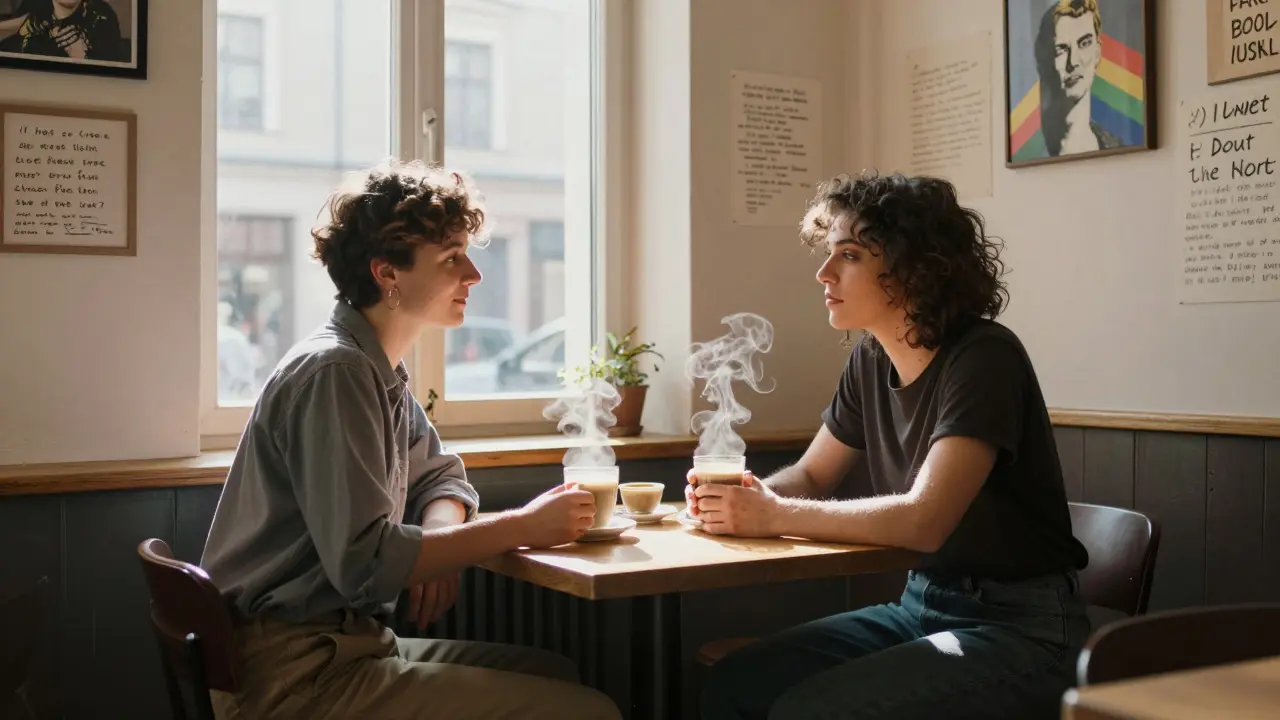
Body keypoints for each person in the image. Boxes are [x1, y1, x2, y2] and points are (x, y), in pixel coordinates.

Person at [200, 159, 621, 719]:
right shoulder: (337, 372)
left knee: (556, 673)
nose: (474, 275)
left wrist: (437, 546)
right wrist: (522, 526)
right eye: (451, 258)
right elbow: (367, 565)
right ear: (387, 274)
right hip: (296, 677)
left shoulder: (374, 366)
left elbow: (441, 476)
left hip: (344, 649)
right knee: (590, 711)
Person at [690, 171, 1091, 719]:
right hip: (921, 604)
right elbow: (812, 477)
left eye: (849, 255)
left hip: (1023, 627)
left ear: (914, 267)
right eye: (830, 253)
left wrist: (773, 514)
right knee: (737, 683)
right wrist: (746, 496)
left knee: (813, 711)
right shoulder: (870, 358)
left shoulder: (984, 357)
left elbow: (925, 520)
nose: (824, 273)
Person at [1034, 0, 1120, 157]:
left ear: (1097, 52)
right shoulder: (1032, 155)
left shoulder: (1117, 149)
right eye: (1061, 50)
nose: (1073, 62)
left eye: (1084, 43)